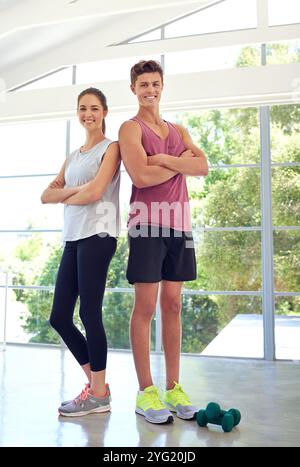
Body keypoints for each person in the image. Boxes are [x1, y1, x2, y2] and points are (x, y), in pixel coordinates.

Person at [119, 60, 209, 425]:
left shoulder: (178, 129)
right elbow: (141, 174)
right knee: (146, 307)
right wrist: (181, 162)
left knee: (173, 305)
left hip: (179, 225)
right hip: (146, 225)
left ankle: (174, 387)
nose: (150, 90)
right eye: (143, 84)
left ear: (162, 85)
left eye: (155, 83)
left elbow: (202, 166)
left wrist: (166, 159)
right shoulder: (130, 129)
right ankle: (146, 392)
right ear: (134, 89)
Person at [41, 87, 121, 417]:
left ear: (104, 112)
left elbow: (98, 191)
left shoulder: (111, 148)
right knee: (59, 316)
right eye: (82, 108)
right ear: (78, 113)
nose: (88, 113)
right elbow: (46, 196)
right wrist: (76, 192)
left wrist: (67, 195)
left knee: (89, 313)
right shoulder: (73, 157)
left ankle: (98, 394)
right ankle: (97, 387)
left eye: (94, 108)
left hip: (99, 234)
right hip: (73, 237)